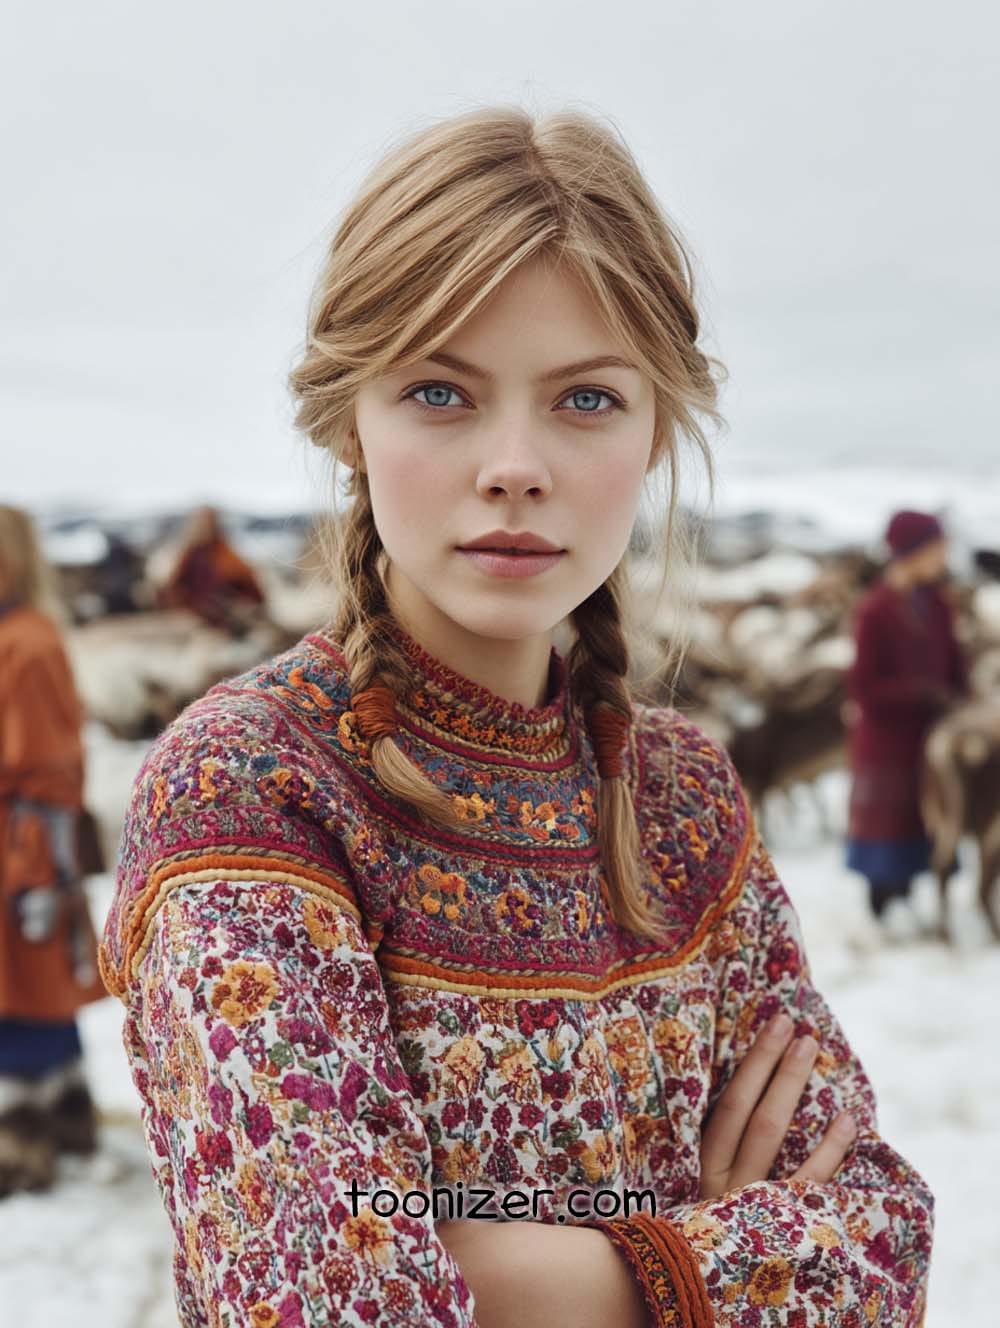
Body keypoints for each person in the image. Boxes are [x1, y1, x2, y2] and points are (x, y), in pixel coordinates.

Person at [98, 108, 933, 1327]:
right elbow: (324, 1298)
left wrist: (501, 1265)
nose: (514, 463)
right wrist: (710, 1263)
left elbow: (877, 1243)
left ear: (655, 431)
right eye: (440, 389)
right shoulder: (253, 786)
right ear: (350, 419)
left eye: (585, 399)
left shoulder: (682, 796)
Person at [0, 504, 107, 1198]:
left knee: (22, 980)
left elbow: (44, 763)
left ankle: (23, 1143)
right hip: (23, 834)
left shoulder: (26, 643)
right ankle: (68, 1118)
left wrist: (32, 856)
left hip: (22, 840)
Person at [846, 510, 969, 925]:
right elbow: (864, 688)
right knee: (888, 825)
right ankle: (882, 908)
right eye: (937, 548)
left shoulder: (937, 603)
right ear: (913, 552)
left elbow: (956, 661)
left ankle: (910, 897)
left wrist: (961, 696)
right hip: (886, 743)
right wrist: (921, 693)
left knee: (925, 820)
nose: (943, 557)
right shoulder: (875, 611)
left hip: (929, 738)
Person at [157, 504, 267, 633]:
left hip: (226, 610)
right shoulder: (190, 553)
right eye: (202, 522)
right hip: (200, 611)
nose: (205, 526)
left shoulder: (225, 552)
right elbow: (172, 585)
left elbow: (251, 588)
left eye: (209, 522)